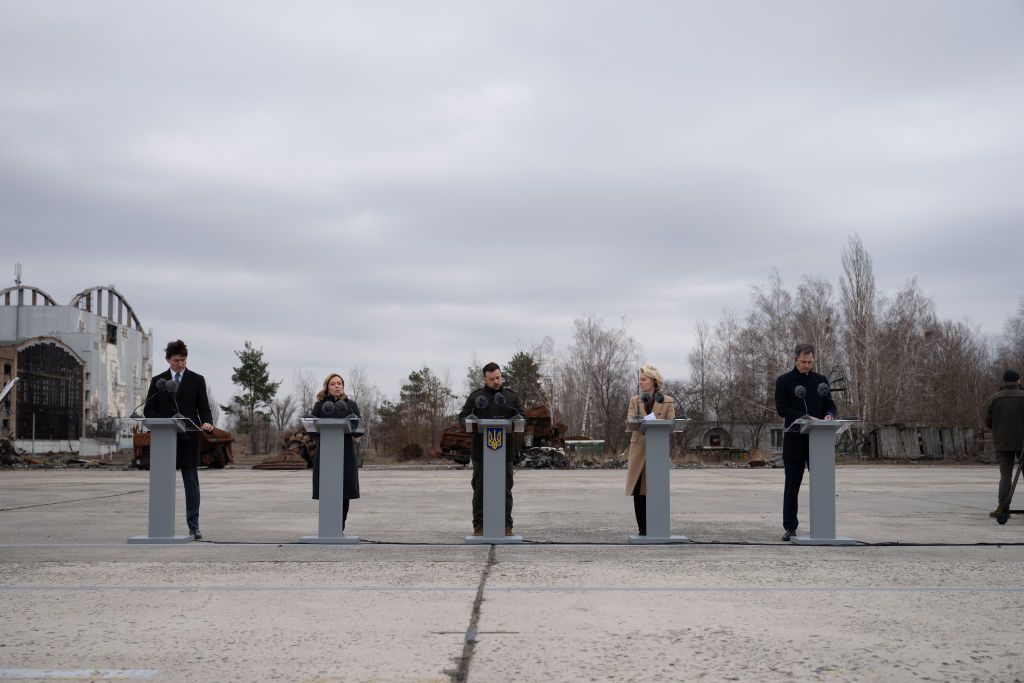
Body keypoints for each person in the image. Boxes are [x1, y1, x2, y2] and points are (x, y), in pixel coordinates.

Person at [144, 339, 214, 540]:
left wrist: (207, 423)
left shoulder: (197, 380)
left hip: (189, 439)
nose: (180, 364)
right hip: (165, 441)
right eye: (176, 360)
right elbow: (149, 409)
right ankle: (160, 526)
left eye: (183, 360)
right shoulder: (159, 381)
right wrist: (166, 421)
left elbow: (204, 408)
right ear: (168, 360)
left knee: (191, 485)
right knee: (163, 486)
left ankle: (194, 526)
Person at [774, 343, 837, 541]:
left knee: (821, 484)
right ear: (795, 359)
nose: (807, 365)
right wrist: (806, 417)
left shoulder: (821, 381)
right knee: (792, 486)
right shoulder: (784, 381)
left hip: (819, 442)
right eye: (803, 362)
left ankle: (822, 526)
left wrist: (829, 415)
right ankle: (790, 527)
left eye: (810, 362)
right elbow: (782, 409)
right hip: (795, 441)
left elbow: (830, 404)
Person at [458, 362, 523, 536]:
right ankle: (479, 526)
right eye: (492, 379)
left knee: (505, 489)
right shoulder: (476, 397)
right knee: (479, 490)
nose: (496, 381)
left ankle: (506, 526)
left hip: (505, 452)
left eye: (499, 377)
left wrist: (518, 420)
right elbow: (463, 416)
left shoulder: (510, 397)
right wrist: (467, 422)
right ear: (484, 379)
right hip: (481, 453)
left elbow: (521, 415)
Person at [624, 365, 676, 536]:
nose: (641, 382)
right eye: (639, 379)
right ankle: (643, 528)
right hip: (639, 448)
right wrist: (641, 420)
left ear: (654, 381)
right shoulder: (635, 400)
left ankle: (657, 526)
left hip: (657, 449)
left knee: (655, 488)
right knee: (639, 488)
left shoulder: (667, 400)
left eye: (644, 379)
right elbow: (631, 420)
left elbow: (672, 423)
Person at [310, 373, 361, 530]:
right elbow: (311, 431)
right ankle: (327, 528)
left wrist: (353, 421)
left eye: (339, 383)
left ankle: (339, 529)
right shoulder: (320, 405)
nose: (337, 386)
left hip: (345, 455)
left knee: (344, 492)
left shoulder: (351, 405)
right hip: (325, 455)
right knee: (327, 491)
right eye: (333, 383)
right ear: (327, 387)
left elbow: (358, 431)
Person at [983, 369, 1024, 522]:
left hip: (1002, 442)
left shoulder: (994, 398)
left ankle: (1003, 508)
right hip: (1023, 443)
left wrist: (1000, 430)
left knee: (1005, 476)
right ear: (1018, 380)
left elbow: (988, 421)